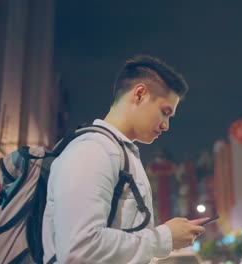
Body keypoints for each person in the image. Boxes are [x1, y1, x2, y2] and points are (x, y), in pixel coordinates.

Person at [42, 55, 207, 263]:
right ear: (140, 94)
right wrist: (164, 237)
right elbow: (79, 248)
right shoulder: (92, 150)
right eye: (164, 112)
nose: (166, 125)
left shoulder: (118, 153)